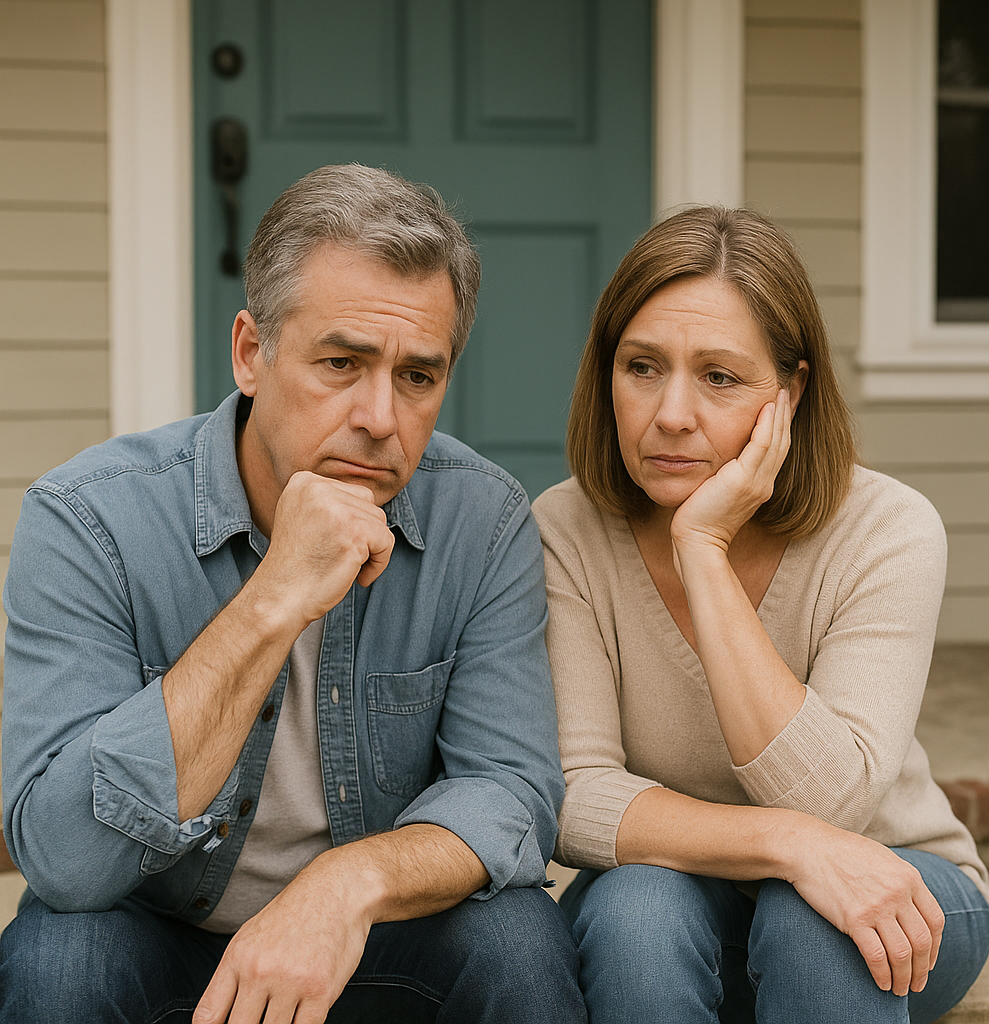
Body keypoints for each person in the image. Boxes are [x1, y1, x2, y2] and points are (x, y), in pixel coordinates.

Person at [0, 164, 586, 1024]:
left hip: (378, 931)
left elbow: (510, 793)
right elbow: (65, 859)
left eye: (418, 377)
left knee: (518, 943)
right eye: (341, 363)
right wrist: (272, 598)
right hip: (159, 928)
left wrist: (345, 885)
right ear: (251, 353)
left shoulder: (482, 519)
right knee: (59, 961)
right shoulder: (91, 520)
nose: (380, 418)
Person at [534, 206, 989, 1024]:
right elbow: (573, 796)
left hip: (894, 880)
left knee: (812, 919)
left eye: (719, 377)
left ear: (792, 392)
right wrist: (787, 845)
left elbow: (834, 807)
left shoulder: (887, 529)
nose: (672, 413)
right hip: (679, 895)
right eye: (642, 367)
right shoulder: (565, 530)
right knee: (635, 912)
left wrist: (701, 549)